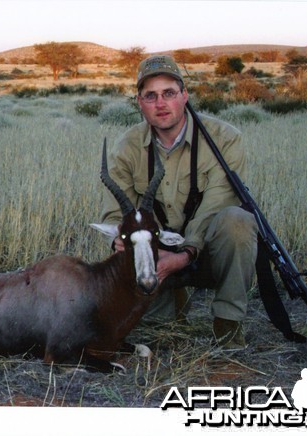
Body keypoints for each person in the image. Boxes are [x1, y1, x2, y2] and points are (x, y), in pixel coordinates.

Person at [100, 55, 258, 349]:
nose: (161, 103)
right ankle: (173, 300)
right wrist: (122, 241)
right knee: (157, 331)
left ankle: (227, 322)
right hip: (156, 258)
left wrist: (185, 254)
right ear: (139, 102)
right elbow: (115, 212)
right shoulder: (126, 147)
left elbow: (218, 202)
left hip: (207, 252)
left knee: (238, 222)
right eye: (151, 96)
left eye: (169, 93)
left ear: (184, 96)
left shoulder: (224, 139)